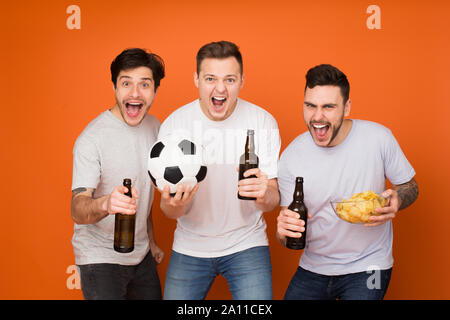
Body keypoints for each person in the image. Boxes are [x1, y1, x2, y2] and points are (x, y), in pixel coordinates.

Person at [277, 64, 418, 300]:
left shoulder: (378, 138)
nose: (317, 116)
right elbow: (288, 228)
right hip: (314, 267)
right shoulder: (292, 155)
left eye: (328, 107)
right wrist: (284, 231)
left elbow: (410, 186)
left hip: (370, 265)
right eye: (310, 105)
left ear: (347, 107)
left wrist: (397, 200)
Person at [158, 41, 281, 300]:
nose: (220, 88)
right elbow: (167, 210)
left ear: (242, 81)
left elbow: (272, 201)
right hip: (190, 246)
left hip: (247, 243)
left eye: (230, 79)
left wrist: (264, 193)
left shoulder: (263, 121)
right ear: (196, 79)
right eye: (210, 78)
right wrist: (176, 204)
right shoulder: (175, 125)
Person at [70, 48, 166, 300]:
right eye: (126, 83)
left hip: (141, 254)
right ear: (114, 87)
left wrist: (152, 241)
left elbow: (142, 193)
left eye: (144, 84)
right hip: (100, 257)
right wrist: (106, 203)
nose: (135, 93)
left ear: (155, 90)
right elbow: (77, 209)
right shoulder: (91, 138)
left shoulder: (156, 127)